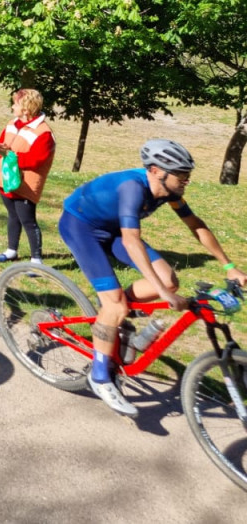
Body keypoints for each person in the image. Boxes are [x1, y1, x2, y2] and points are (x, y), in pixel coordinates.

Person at [59, 139, 247, 417]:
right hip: (81, 226)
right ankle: (99, 377)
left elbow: (196, 225)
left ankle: (113, 315)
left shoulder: (169, 192)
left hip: (113, 229)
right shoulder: (133, 189)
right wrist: (162, 293)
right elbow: (132, 241)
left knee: (169, 281)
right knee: (117, 304)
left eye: (188, 174)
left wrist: (229, 266)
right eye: (182, 175)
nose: (187, 180)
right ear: (158, 170)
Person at [0, 88, 55, 265]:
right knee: (13, 215)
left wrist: (10, 156)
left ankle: (36, 260)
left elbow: (36, 160)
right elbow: (1, 143)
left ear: (26, 109)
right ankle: (12, 251)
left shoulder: (43, 133)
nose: (12, 107)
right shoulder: (12, 124)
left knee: (28, 220)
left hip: (25, 185)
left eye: (15, 104)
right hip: (6, 180)